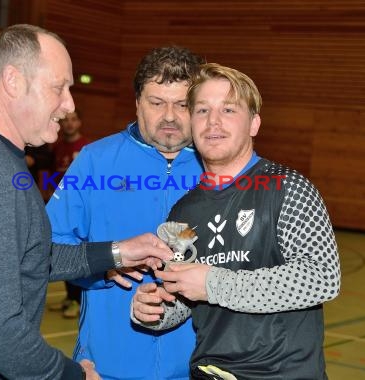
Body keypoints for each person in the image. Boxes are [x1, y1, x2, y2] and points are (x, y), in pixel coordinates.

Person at [0, 24, 174, 380]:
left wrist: (115, 253)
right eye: (59, 88)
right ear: (13, 81)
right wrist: (74, 376)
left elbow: (23, 255)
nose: (69, 105)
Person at [131, 63, 341, 379]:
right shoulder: (183, 213)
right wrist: (156, 310)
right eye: (202, 110)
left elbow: (322, 278)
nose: (213, 121)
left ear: (254, 123)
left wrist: (214, 283)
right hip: (210, 372)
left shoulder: (287, 187)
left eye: (228, 110)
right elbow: (186, 294)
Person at [46, 46, 204, 379]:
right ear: (137, 103)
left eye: (182, 104)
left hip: (200, 367)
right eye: (156, 103)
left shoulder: (220, 169)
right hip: (108, 366)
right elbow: (45, 250)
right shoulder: (95, 161)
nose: (170, 116)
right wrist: (100, 266)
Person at [50, 110, 90, 318]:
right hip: (61, 206)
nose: (69, 124)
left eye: (74, 119)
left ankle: (78, 300)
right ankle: (69, 297)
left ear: (80, 122)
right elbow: (54, 176)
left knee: (76, 251)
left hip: (79, 208)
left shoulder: (85, 149)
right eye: (65, 120)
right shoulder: (58, 147)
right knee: (62, 249)